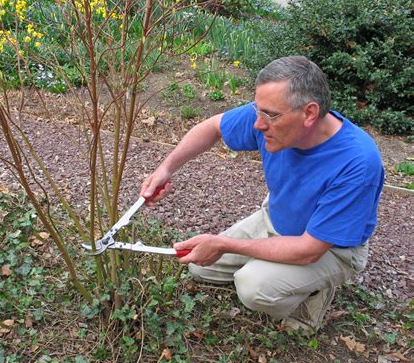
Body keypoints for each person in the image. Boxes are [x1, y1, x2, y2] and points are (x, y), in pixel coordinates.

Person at [140, 56, 384, 332]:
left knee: (253, 287)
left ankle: (313, 295)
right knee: (200, 266)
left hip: (331, 247)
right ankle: (273, 266)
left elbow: (308, 250)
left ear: (309, 113)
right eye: (258, 110)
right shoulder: (270, 117)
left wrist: (223, 244)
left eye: (270, 115)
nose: (258, 124)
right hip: (276, 217)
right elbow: (212, 128)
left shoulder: (357, 162)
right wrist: (165, 169)